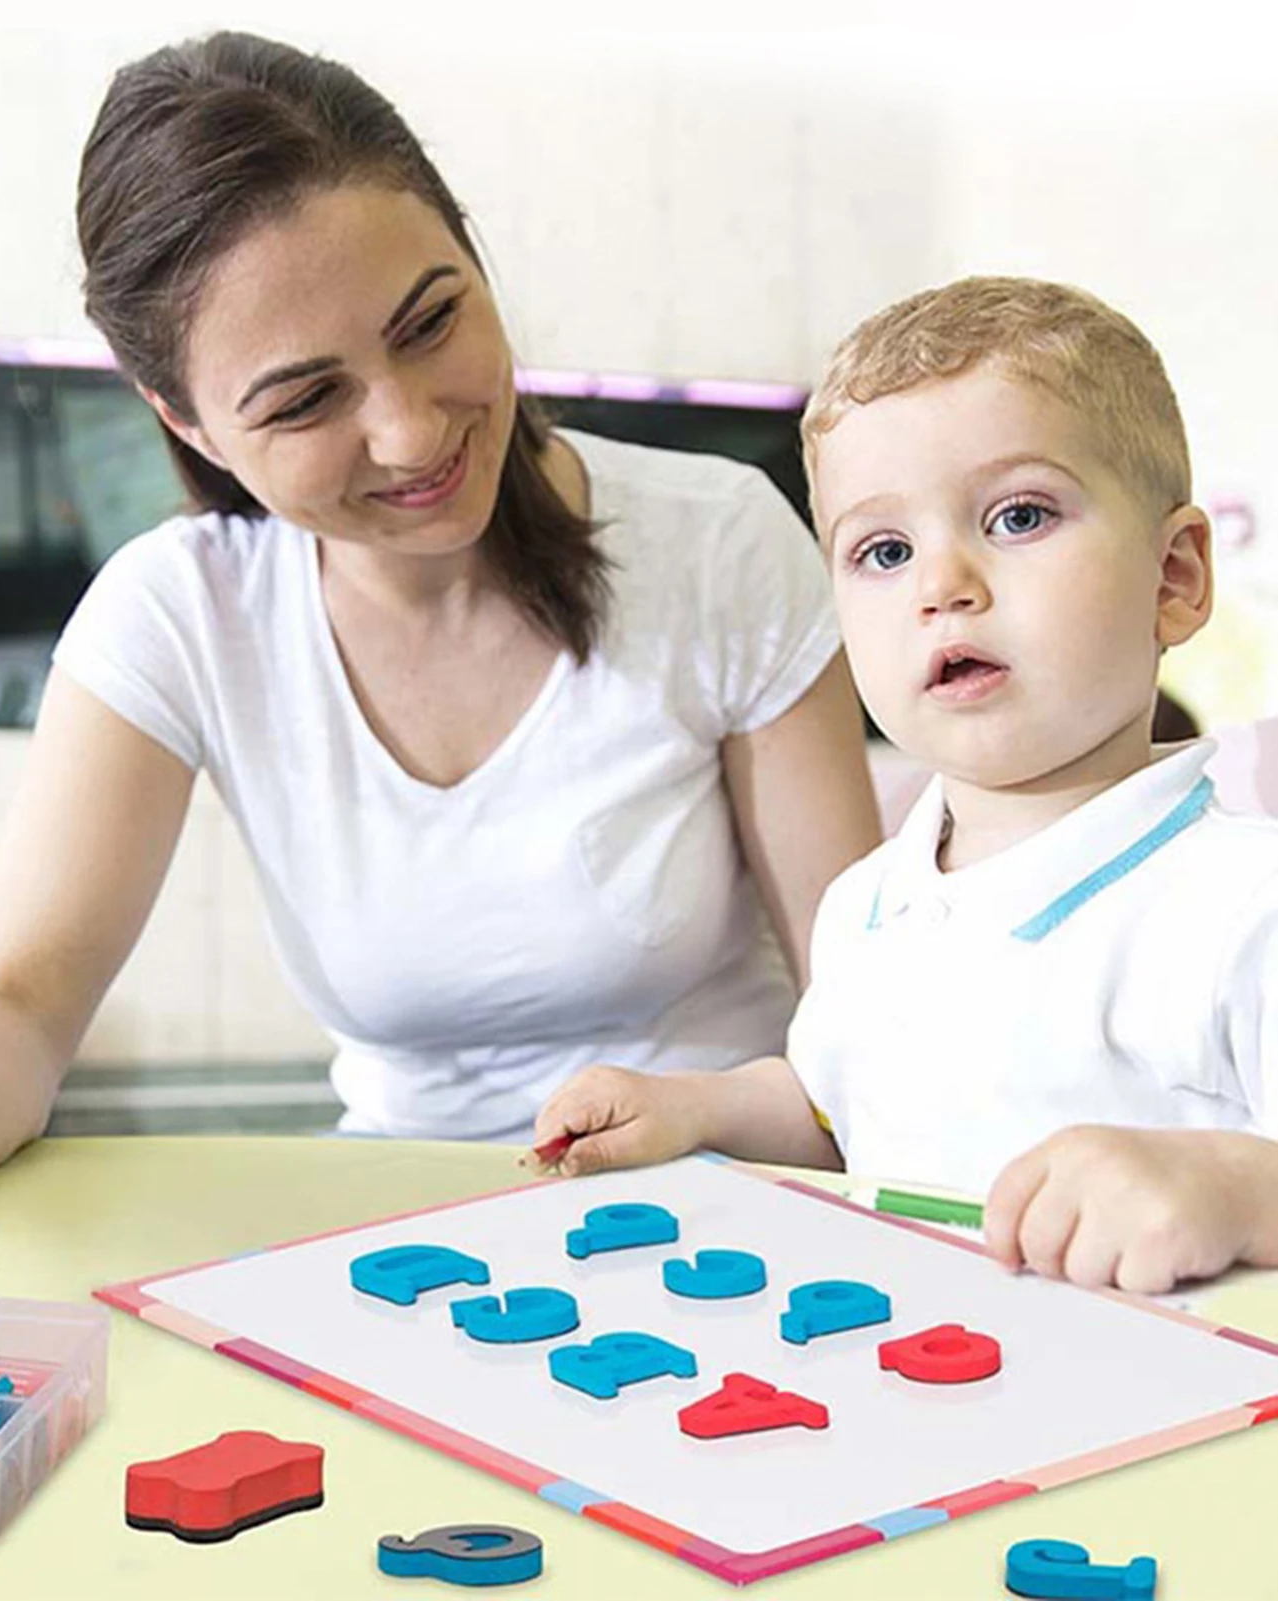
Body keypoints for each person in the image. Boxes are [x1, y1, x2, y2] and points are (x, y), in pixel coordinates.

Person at [0, 31, 880, 1266]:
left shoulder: (718, 544)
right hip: (404, 1250)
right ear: (185, 418)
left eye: (430, 321)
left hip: (728, 1232)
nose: (411, 430)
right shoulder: (180, 612)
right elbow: (20, 1004)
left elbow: (868, 1001)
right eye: (306, 400)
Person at [534, 276, 1278, 1296]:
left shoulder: (1240, 904)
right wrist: (696, 1109)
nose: (941, 585)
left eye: (1017, 515)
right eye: (882, 550)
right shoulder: (866, 904)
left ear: (1174, 576)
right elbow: (839, 1110)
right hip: (920, 1409)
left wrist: (1235, 1186)